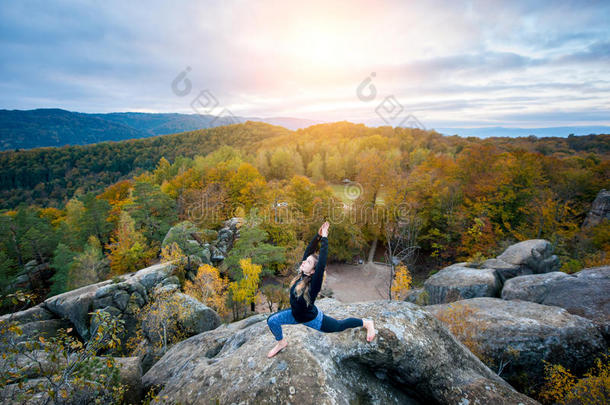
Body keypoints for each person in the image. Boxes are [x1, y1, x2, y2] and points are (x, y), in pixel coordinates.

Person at [266, 221, 376, 358]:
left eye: (308, 262)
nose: (304, 262)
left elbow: (322, 261)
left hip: (312, 318)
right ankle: (281, 343)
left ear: (313, 271)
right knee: (272, 320)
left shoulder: (314, 284)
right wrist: (318, 236)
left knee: (338, 326)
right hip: (295, 315)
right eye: (305, 260)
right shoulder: (302, 274)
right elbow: (309, 251)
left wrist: (324, 238)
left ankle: (366, 323)